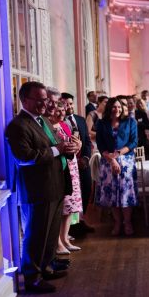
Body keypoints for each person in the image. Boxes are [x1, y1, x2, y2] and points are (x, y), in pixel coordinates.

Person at [6, 82, 80, 293]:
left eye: (45, 100)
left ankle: (47, 267)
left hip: (56, 185)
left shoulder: (43, 121)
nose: (44, 104)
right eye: (39, 100)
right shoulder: (18, 126)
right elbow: (24, 158)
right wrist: (58, 150)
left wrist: (71, 148)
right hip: (37, 189)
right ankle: (32, 278)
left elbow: (59, 146)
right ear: (24, 100)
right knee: (36, 234)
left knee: (50, 233)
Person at [95, 98, 138, 236]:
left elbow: (133, 142)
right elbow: (100, 143)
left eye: (119, 107)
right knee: (112, 194)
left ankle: (128, 222)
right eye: (114, 107)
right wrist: (111, 159)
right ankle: (117, 222)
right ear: (109, 108)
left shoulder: (130, 121)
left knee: (126, 194)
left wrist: (118, 154)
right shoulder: (101, 123)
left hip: (126, 161)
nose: (117, 109)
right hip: (108, 161)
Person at [48, 97, 83, 254]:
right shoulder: (49, 127)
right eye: (58, 110)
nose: (61, 112)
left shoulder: (64, 125)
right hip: (60, 168)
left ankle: (65, 239)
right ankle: (57, 243)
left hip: (72, 167)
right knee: (62, 207)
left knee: (70, 206)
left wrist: (78, 145)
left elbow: (73, 144)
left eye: (63, 110)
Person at [60, 92, 95, 235]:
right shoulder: (59, 122)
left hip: (83, 163)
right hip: (68, 164)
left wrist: (86, 158)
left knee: (86, 190)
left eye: (70, 103)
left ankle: (81, 219)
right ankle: (70, 227)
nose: (69, 106)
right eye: (65, 104)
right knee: (71, 194)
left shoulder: (80, 120)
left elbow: (87, 141)